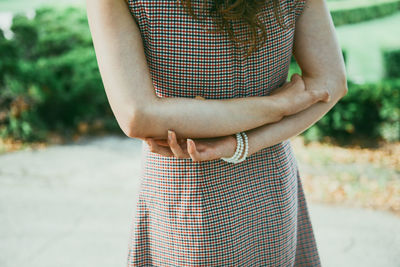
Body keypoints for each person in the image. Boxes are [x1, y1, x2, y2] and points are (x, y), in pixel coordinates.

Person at [86, 0, 347, 265]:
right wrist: (275, 107)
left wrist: (239, 141)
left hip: (188, 194)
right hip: (270, 182)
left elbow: (138, 114)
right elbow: (138, 116)